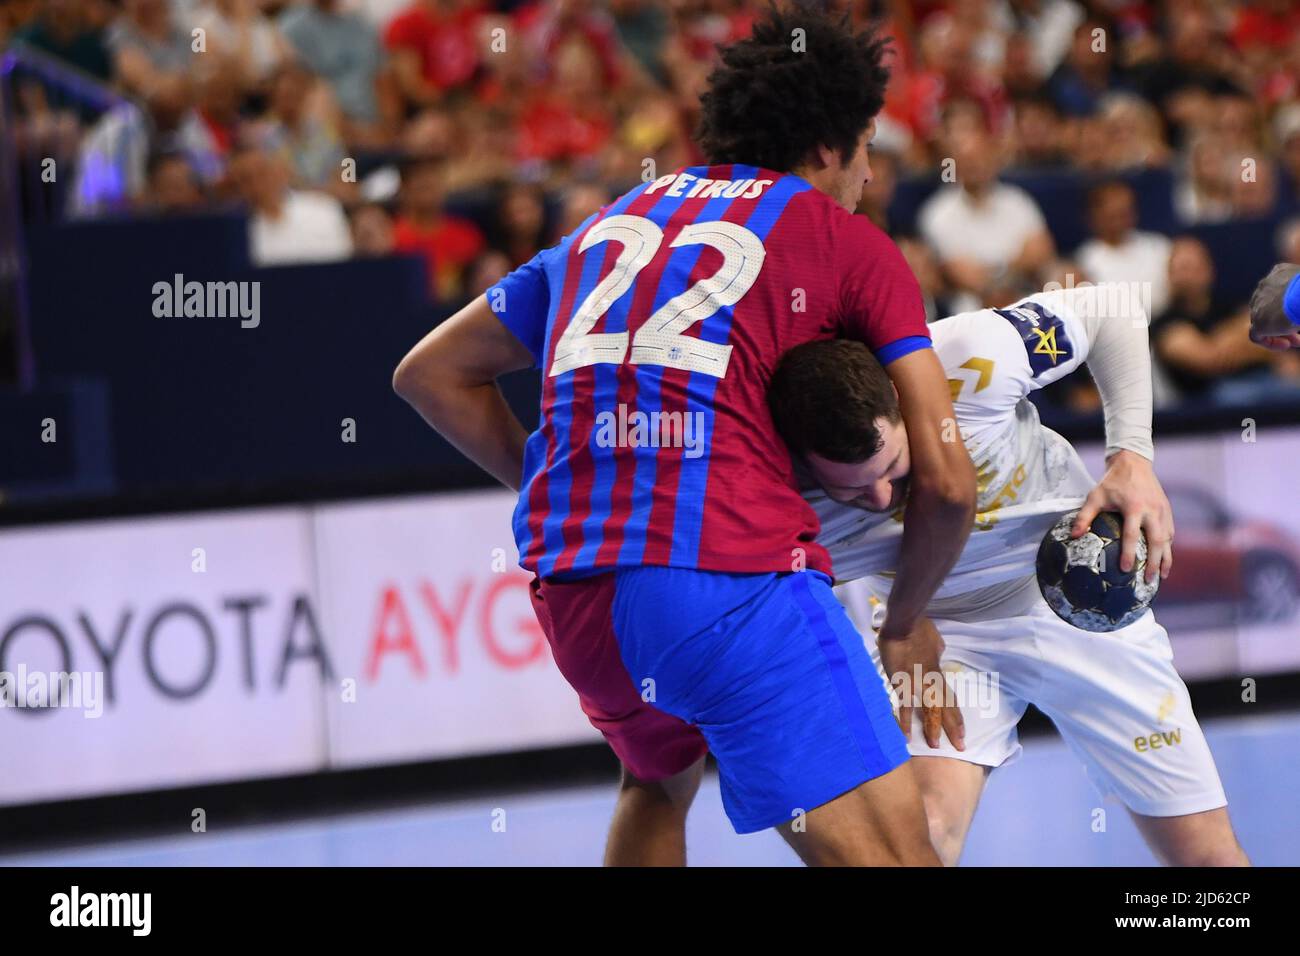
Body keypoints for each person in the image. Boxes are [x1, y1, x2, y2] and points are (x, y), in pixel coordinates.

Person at [394, 6, 978, 867]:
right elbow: (950, 482)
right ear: (826, 149)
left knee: (656, 786)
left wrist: (557, 483)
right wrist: (907, 620)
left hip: (577, 601)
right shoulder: (842, 240)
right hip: (726, 583)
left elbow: (428, 375)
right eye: (864, 151)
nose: (865, 178)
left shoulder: (607, 223)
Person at [770, 284, 1249, 866]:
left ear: (904, 401)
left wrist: (1132, 457)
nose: (879, 496)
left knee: (1209, 865)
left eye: (894, 468)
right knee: (921, 841)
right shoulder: (773, 494)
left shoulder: (969, 359)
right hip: (932, 637)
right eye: (849, 488)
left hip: (1078, 605)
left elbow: (1112, 308)